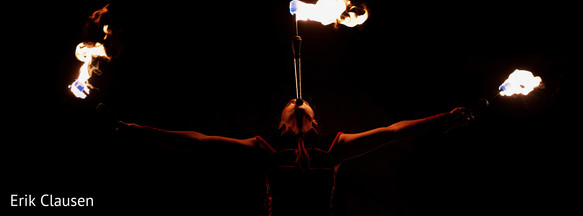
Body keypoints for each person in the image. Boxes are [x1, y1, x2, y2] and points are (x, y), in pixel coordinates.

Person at [115, 98, 470, 215]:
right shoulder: (266, 150)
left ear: (315, 122)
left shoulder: (335, 148)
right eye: (290, 104)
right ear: (282, 126)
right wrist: (142, 132)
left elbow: (393, 132)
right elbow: (202, 142)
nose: (297, 102)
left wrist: (441, 120)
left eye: (301, 103)